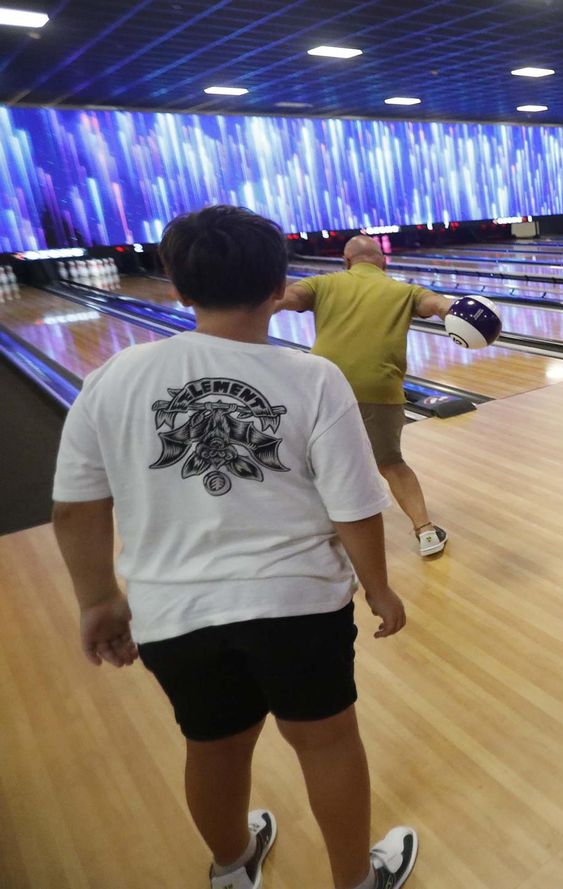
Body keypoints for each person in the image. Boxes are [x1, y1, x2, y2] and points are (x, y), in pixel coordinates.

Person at [51, 206, 420, 889]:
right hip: (297, 602)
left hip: (172, 613)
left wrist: (99, 597)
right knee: (328, 741)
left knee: (213, 746)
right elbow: (354, 505)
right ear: (281, 287)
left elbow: (74, 508)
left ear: (177, 286)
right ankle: (356, 882)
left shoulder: (112, 378)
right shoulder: (312, 379)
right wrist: (379, 586)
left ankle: (230, 866)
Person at [280, 236, 456, 557]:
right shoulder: (404, 291)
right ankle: (426, 531)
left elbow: (288, 297)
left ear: (346, 262)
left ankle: (312, 539)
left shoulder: (323, 283)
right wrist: (452, 310)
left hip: (322, 389)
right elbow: (436, 303)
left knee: (312, 466)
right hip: (379, 389)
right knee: (391, 463)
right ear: (383, 261)